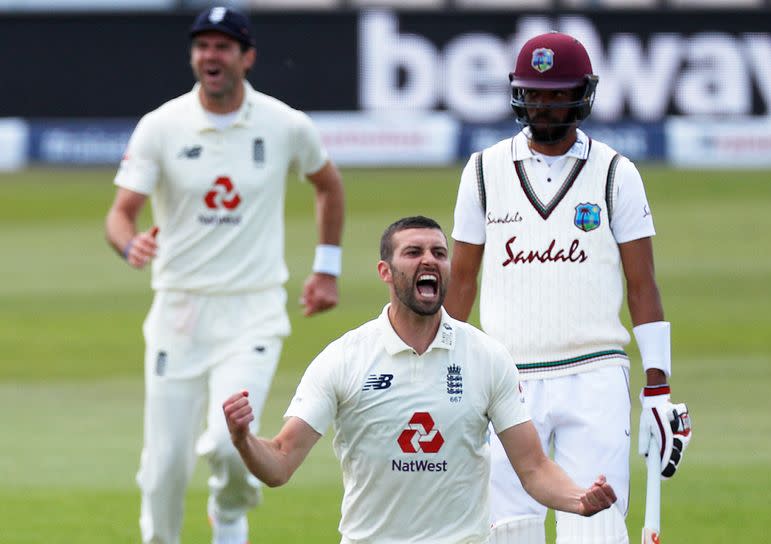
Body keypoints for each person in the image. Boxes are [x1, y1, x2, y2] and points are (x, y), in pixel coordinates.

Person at [223, 216, 618, 544]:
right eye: (413, 253)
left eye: (439, 253)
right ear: (386, 271)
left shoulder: (487, 357)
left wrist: (577, 499)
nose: (429, 260)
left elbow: (533, 467)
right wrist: (243, 439)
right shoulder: (344, 358)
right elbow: (279, 464)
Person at [104, 6, 345, 544]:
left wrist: (326, 269)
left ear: (246, 56)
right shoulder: (162, 126)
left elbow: (328, 184)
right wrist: (131, 244)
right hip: (179, 313)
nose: (210, 56)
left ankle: (230, 514)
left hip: (252, 311)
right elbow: (120, 213)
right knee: (165, 464)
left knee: (227, 440)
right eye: (202, 46)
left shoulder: (284, 124)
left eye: (223, 46)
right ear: (193, 56)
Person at [445, 32, 692, 544]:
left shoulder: (616, 173)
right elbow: (462, 281)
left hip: (595, 373)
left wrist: (659, 389)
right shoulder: (483, 172)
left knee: (597, 527)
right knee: (508, 530)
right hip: (505, 375)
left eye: (558, 92)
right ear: (518, 93)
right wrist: (440, 368)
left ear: (583, 92)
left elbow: (642, 285)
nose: (545, 103)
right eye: (535, 92)